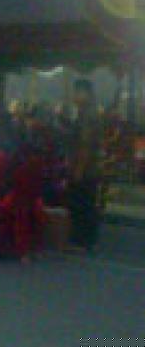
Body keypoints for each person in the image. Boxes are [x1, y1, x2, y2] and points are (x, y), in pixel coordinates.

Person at [66, 79, 102, 253]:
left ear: (85, 93)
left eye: (76, 92)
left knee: (80, 204)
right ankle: (89, 241)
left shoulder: (87, 115)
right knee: (87, 203)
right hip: (90, 168)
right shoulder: (88, 112)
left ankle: (81, 242)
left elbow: (85, 145)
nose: (74, 96)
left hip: (85, 168)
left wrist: (78, 170)